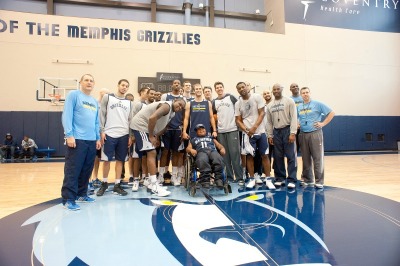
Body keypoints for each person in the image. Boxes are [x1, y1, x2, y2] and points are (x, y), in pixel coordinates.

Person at [130, 98, 186, 196]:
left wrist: (156, 136)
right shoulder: (166, 106)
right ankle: (154, 185)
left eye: (182, 107)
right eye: (179, 104)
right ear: (175, 100)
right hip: (140, 126)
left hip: (147, 129)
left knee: (151, 153)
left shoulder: (172, 113)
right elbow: (152, 118)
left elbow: (164, 127)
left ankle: (151, 182)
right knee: (152, 153)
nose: (180, 107)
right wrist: (151, 136)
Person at [61, 74, 101, 211]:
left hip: (91, 141)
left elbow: (96, 121)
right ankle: (68, 199)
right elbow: (67, 115)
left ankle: (81, 194)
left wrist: (97, 138)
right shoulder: (74, 95)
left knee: (86, 169)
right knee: (73, 170)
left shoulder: (94, 101)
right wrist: (69, 135)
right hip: (77, 139)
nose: (89, 82)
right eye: (86, 80)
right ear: (80, 83)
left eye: (91, 80)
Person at [235, 82, 275, 190]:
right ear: (237, 91)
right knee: (249, 156)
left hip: (260, 132)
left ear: (247, 88)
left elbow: (262, 113)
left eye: (243, 87)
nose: (242, 89)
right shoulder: (238, 103)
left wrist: (254, 128)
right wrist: (246, 129)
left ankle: (268, 179)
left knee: (265, 155)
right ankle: (251, 179)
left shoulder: (257, 97)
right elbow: (238, 120)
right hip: (247, 133)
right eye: (239, 88)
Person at [96, 79, 133, 197]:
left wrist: (130, 135)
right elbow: (101, 114)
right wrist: (102, 131)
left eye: (126, 86)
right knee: (106, 160)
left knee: (120, 160)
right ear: (118, 85)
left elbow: (130, 120)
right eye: (122, 85)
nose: (124, 87)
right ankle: (105, 182)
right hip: (109, 133)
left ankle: (117, 184)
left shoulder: (129, 103)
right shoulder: (108, 98)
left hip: (123, 134)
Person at [297, 87, 335, 189]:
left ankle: (319, 181)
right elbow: (297, 117)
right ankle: (308, 180)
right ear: (301, 95)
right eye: (303, 93)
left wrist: (323, 123)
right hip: (303, 134)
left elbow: (331, 112)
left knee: (317, 158)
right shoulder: (299, 107)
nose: (305, 94)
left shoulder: (317, 104)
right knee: (305, 158)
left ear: (310, 93)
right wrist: (297, 123)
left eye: (307, 92)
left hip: (315, 133)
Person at [265, 83, 298, 189]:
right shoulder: (270, 105)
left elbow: (294, 117)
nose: (276, 91)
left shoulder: (289, 101)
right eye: (274, 89)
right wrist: (270, 135)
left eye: (278, 89)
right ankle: (280, 178)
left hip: (287, 130)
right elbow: (269, 122)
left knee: (290, 156)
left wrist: (293, 133)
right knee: (278, 156)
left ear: (282, 89)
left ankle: (292, 179)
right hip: (276, 132)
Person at [212, 81, 243, 185]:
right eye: (217, 87)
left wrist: (239, 124)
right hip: (221, 131)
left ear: (223, 88)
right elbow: (213, 116)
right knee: (225, 156)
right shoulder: (214, 102)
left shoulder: (231, 97)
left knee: (235, 154)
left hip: (232, 129)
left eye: (221, 87)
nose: (219, 89)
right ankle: (229, 177)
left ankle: (239, 178)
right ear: (215, 89)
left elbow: (239, 109)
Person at [159, 80, 185, 186]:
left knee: (175, 152)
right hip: (166, 129)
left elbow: (184, 115)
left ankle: (174, 176)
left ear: (180, 86)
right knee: (165, 152)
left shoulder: (183, 99)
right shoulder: (165, 96)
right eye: (175, 83)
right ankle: (161, 176)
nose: (177, 84)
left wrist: (183, 128)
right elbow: (160, 112)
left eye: (179, 83)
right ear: (172, 85)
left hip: (177, 129)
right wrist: (161, 127)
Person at [186, 124, 226, 188]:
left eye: (202, 129)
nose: (201, 130)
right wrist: (191, 150)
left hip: (212, 151)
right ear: (196, 132)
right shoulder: (193, 140)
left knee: (218, 158)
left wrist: (222, 148)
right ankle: (205, 180)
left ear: (205, 130)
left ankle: (219, 179)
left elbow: (219, 145)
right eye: (199, 129)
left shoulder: (211, 138)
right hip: (201, 152)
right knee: (202, 159)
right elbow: (187, 149)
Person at [90, 88, 110, 193]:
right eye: (104, 93)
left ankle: (95, 177)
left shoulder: (108, 105)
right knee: (92, 157)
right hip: (94, 134)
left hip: (105, 134)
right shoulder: (94, 103)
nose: (105, 95)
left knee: (100, 157)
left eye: (107, 93)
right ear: (100, 93)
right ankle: (89, 180)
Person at [290, 83, 302, 152]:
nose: (295, 87)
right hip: (294, 126)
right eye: (293, 87)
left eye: (297, 86)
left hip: (303, 125)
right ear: (290, 89)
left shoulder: (303, 98)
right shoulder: (289, 99)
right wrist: (295, 123)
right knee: (295, 147)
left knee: (304, 147)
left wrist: (300, 122)